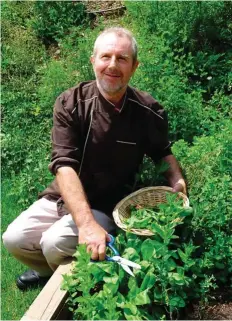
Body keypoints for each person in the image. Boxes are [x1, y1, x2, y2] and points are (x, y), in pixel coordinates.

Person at [3, 27, 186, 290]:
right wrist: (86, 225)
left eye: (122, 59)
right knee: (13, 238)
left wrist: (178, 183)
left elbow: (163, 153)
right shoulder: (70, 102)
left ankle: (75, 280)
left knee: (53, 243)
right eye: (106, 56)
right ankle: (48, 272)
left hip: (108, 204)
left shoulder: (149, 111)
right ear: (93, 61)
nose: (113, 65)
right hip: (61, 196)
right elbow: (63, 165)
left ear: (134, 67)